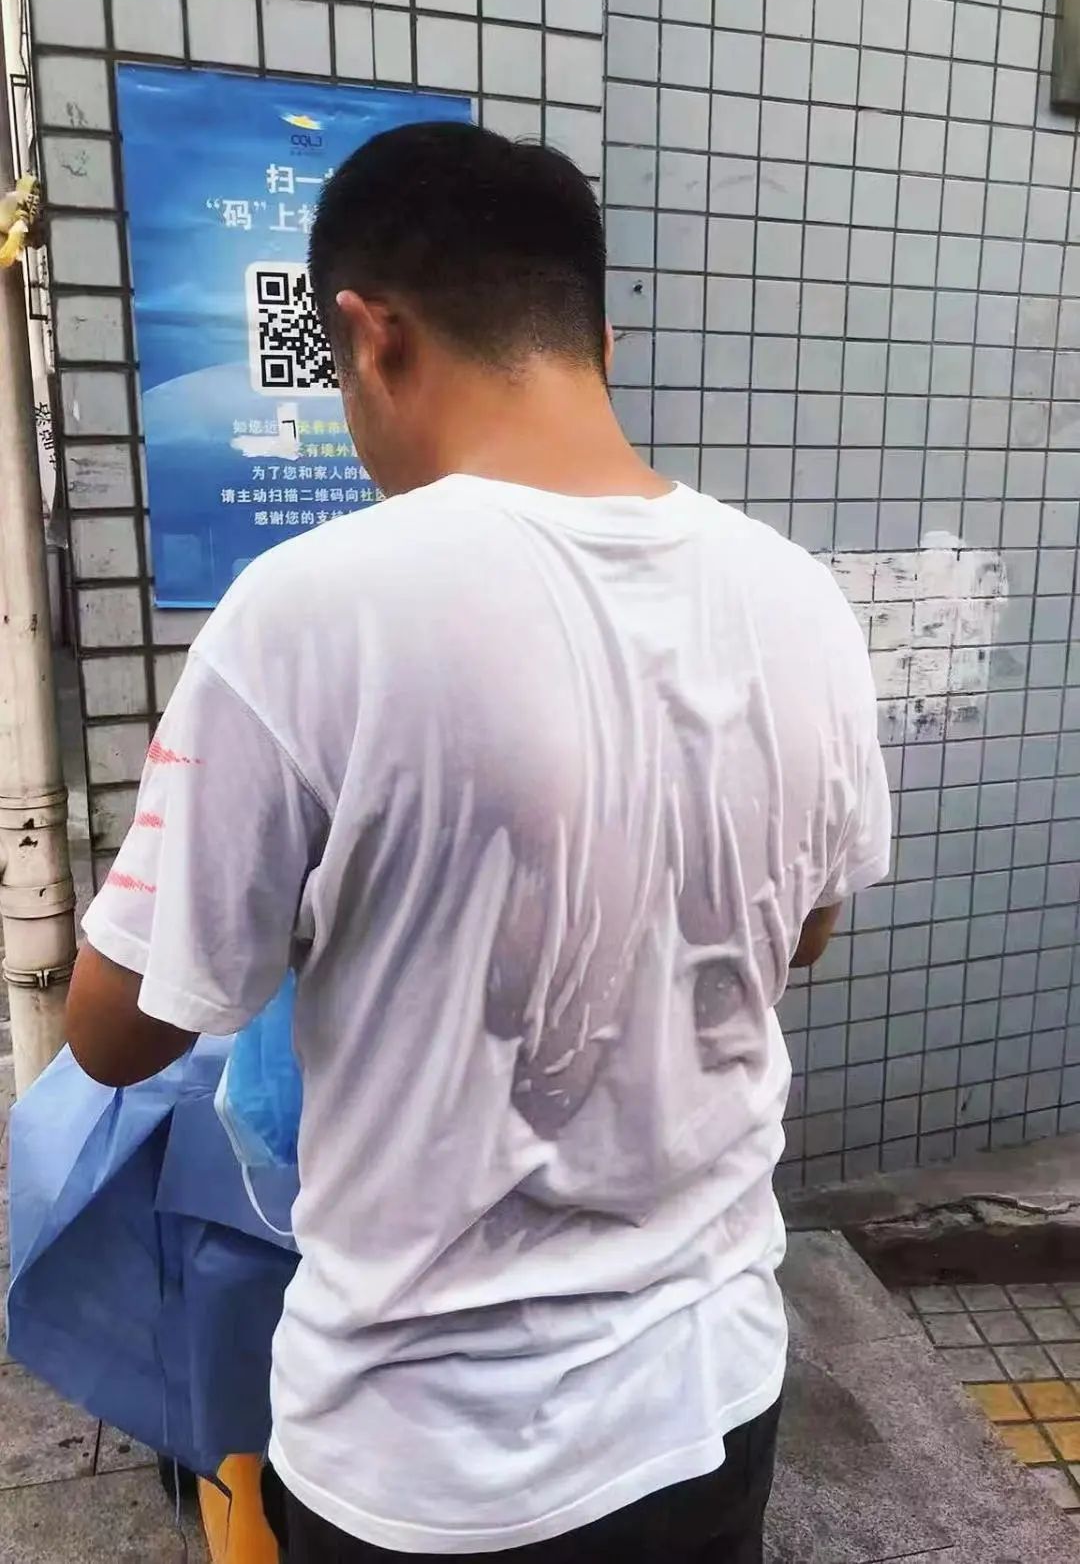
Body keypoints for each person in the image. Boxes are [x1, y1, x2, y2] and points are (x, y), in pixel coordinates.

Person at [66, 122, 891, 1563]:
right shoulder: (803, 599)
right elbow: (804, 929)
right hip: (714, 1389)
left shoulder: (311, 609)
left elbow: (117, 1032)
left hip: (431, 1459)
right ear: (599, 343)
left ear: (369, 334)